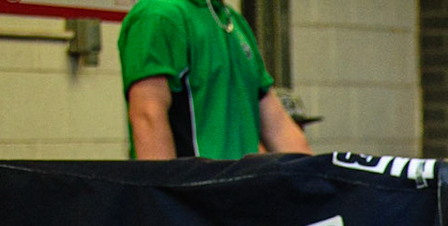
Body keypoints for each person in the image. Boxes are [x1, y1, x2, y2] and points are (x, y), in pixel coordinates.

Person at [118, 0, 309, 160]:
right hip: (196, 199)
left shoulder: (232, 21)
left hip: (242, 195)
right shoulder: (158, 16)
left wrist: (324, 186)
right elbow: (147, 116)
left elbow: (278, 127)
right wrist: (163, 201)